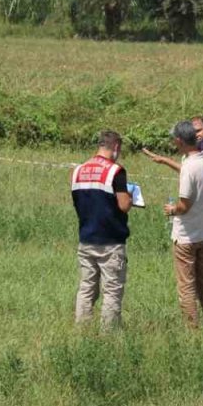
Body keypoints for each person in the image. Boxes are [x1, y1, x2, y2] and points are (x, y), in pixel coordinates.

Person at [70, 130, 133, 330]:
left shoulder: (78, 170)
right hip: (111, 242)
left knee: (86, 288)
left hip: (86, 238)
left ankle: (82, 330)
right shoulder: (116, 171)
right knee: (112, 290)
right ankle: (109, 334)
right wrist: (130, 196)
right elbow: (123, 205)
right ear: (115, 147)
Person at [163, 120, 203, 328]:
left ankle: (192, 329)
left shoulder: (188, 167)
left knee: (186, 286)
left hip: (186, 237)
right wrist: (166, 161)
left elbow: (184, 205)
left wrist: (171, 210)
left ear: (179, 140)